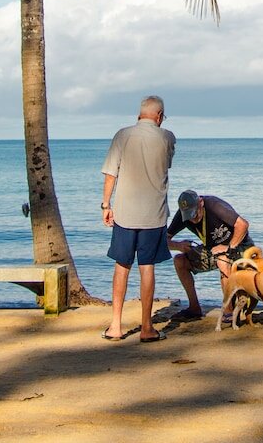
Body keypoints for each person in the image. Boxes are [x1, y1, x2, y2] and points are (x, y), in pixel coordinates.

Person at [100, 95, 175, 343]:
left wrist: (106, 205)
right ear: (159, 116)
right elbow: (166, 164)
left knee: (122, 266)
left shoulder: (122, 135)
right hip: (153, 214)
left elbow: (111, 173)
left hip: (125, 212)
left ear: (139, 114)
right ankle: (147, 327)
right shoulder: (167, 137)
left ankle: (115, 326)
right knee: (147, 267)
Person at [167, 190, 254, 319]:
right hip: (212, 250)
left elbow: (243, 225)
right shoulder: (183, 215)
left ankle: (229, 311)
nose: (193, 219)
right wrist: (178, 246)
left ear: (201, 203)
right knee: (180, 261)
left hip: (240, 247)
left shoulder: (214, 205)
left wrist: (228, 247)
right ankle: (194, 308)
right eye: (189, 216)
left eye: (194, 214)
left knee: (222, 260)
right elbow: (163, 240)